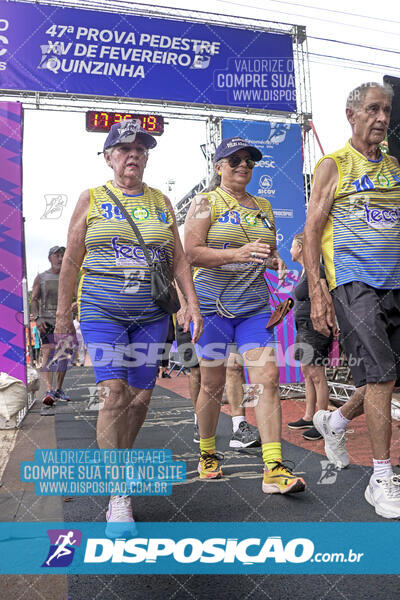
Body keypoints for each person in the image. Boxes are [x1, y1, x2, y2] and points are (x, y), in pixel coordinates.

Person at [54, 119, 202, 535]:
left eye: (140, 149)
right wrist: (64, 315)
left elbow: (177, 260)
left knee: (138, 399)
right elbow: (71, 260)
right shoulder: (93, 198)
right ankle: (119, 494)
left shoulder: (162, 202)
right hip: (103, 311)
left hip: (151, 316)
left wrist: (191, 303)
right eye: (124, 149)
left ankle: (119, 459)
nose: (133, 154)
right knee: (113, 393)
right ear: (108, 158)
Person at [185, 136, 305, 494]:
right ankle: (207, 453)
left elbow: (265, 250)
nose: (243, 166)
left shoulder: (264, 206)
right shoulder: (205, 202)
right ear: (218, 166)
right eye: (234, 160)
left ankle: (273, 467)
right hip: (213, 306)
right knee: (212, 384)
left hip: (254, 307)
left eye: (249, 161)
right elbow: (191, 253)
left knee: (267, 378)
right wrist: (236, 255)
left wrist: (275, 260)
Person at [304, 82, 400, 518]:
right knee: (380, 376)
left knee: (388, 377)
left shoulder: (395, 167)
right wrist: (318, 290)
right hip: (352, 281)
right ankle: (381, 479)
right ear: (352, 115)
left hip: (394, 281)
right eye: (373, 110)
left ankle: (335, 421)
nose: (382, 118)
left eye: (387, 111)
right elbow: (309, 230)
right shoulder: (333, 164)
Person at [176, 293, 260, 447]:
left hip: (231, 310)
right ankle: (199, 421)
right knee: (198, 371)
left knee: (235, 366)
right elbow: (179, 273)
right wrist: (183, 305)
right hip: (196, 312)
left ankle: (239, 427)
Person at [288, 232, 333, 441]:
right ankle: (309, 416)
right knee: (307, 372)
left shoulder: (317, 269)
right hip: (304, 327)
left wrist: (332, 323)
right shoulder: (305, 270)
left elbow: (327, 297)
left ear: (300, 248)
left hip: (315, 328)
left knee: (316, 374)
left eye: (292, 246)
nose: (289, 250)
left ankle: (323, 423)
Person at [31, 246, 70, 405]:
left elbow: (76, 295)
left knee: (63, 356)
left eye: (63, 255)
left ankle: (58, 389)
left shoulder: (68, 276)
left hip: (65, 320)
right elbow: (34, 299)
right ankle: (49, 390)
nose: (60, 259)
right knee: (47, 353)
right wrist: (38, 319)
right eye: (57, 255)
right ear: (50, 258)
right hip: (46, 321)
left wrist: (76, 304)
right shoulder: (41, 277)